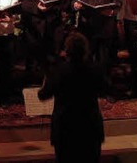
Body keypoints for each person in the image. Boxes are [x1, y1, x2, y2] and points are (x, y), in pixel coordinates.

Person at [38, 32, 105, 163]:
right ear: (85, 50)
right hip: (89, 126)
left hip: (65, 126)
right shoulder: (95, 69)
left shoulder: (58, 71)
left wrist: (48, 77)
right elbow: (105, 89)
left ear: (66, 51)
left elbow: (43, 95)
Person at [21, 0, 69, 83]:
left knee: (54, 59)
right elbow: (23, 3)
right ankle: (34, 88)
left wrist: (52, 7)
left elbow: (65, 1)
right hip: (34, 26)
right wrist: (36, 7)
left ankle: (55, 86)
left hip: (54, 25)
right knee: (35, 59)